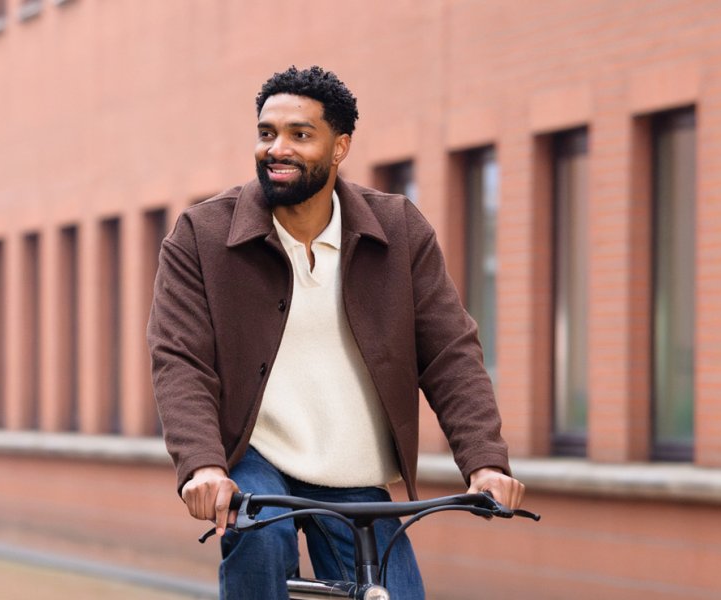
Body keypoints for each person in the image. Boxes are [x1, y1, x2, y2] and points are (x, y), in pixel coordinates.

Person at [147, 65, 524, 600]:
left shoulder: (398, 231)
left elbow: (450, 353)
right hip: (254, 455)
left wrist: (485, 461)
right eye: (266, 133)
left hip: (352, 468)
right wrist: (202, 465)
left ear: (340, 145)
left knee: (395, 592)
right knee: (261, 536)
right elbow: (179, 359)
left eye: (300, 135)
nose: (277, 148)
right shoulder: (201, 235)